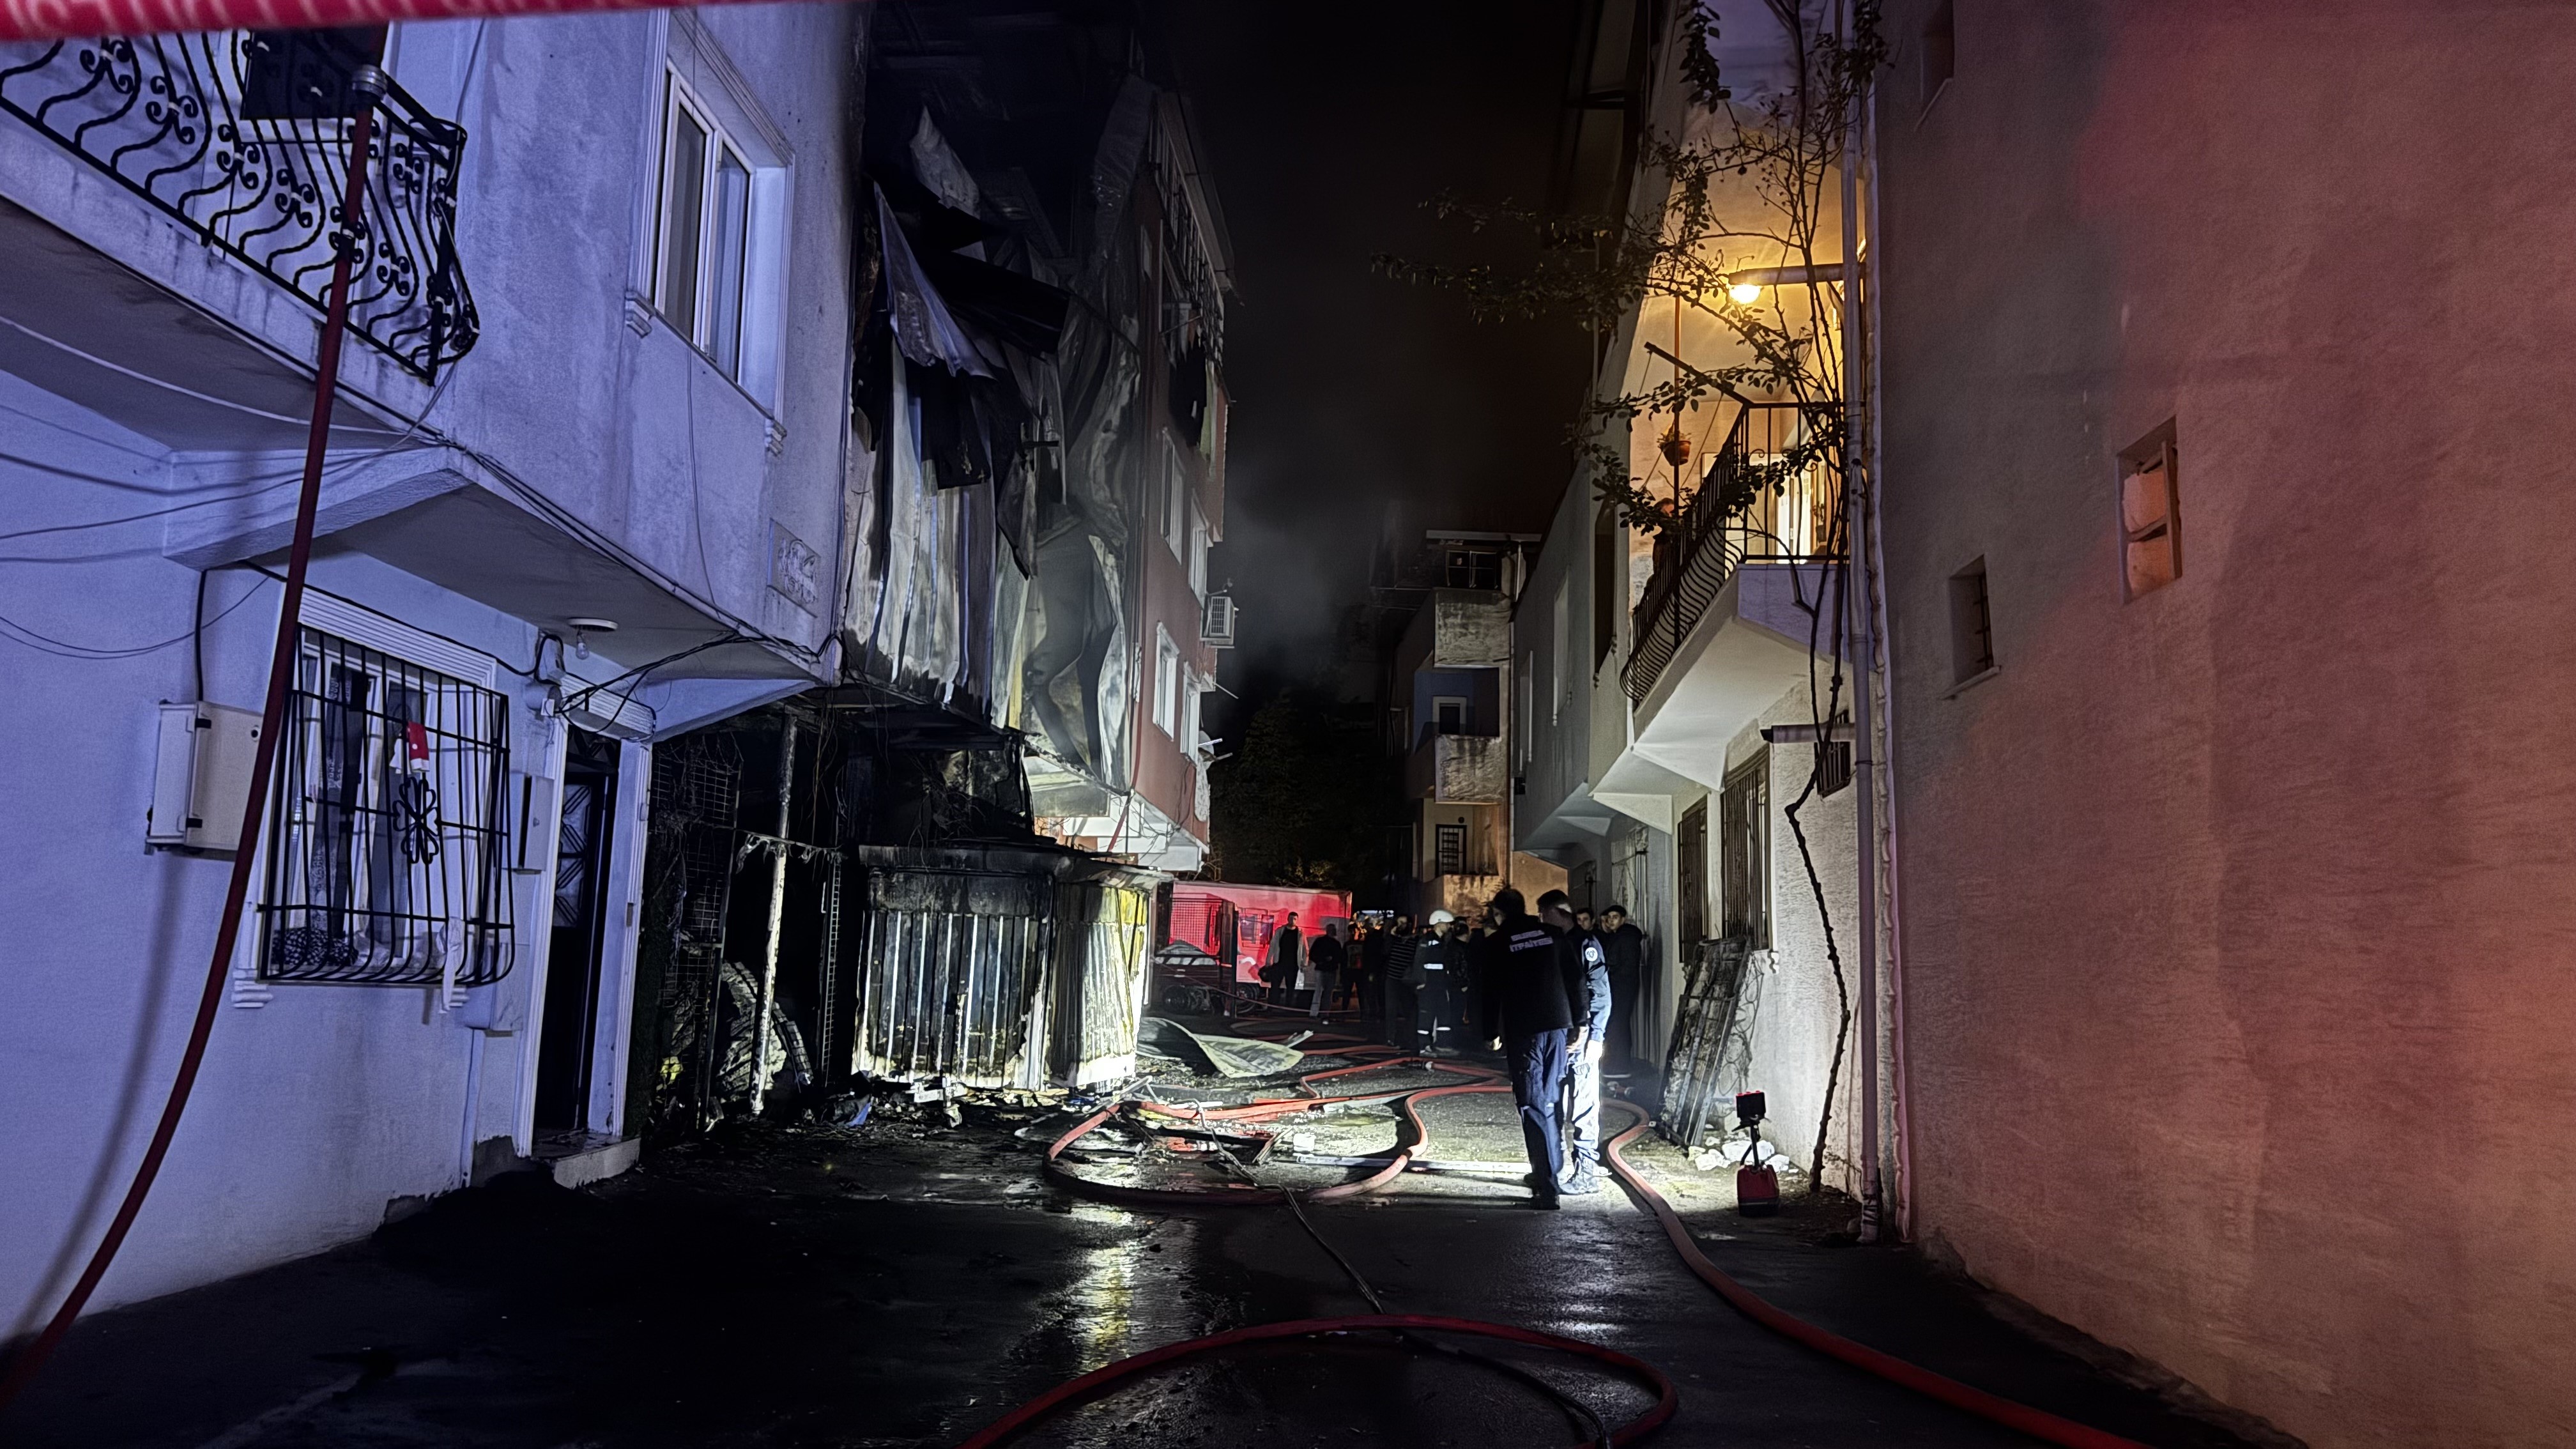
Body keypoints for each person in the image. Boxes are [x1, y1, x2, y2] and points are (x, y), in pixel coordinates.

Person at [1473, 889, 1585, 1209]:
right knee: (1550, 1099)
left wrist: (1490, 1032)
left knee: (1532, 1104)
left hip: (1526, 1031)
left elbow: (1490, 991)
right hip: (1558, 1029)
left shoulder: (1498, 942)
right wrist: (1581, 1021)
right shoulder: (1552, 934)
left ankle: (1547, 1188)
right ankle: (1550, 1170)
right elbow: (1575, 978)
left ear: (1499, 914)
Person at [1541, 890, 1612, 1195]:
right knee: (1553, 1102)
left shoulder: (1586, 944)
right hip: (1560, 1035)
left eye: (1545, 914)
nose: (1542, 920)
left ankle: (1586, 1173)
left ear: (1559, 913)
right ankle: (1555, 1168)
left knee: (1583, 1105)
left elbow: (1600, 991)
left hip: (1581, 1039)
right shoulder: (1557, 943)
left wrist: (1596, 1035)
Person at [1595, 905, 1647, 1070]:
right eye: (1609, 918)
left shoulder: (1626, 938)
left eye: (1615, 917)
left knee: (1618, 1025)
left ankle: (1618, 1065)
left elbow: (1625, 965)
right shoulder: (1620, 936)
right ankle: (1617, 1064)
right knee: (1618, 1025)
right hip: (1621, 987)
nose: (1611, 921)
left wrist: (1612, 973)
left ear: (1623, 919)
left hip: (1621, 988)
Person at [1411, 910, 1461, 1054]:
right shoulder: (1426, 940)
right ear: (1439, 924)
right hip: (1429, 985)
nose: (1449, 927)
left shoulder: (1444, 941)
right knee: (1426, 1016)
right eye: (1447, 924)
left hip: (1441, 985)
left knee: (1444, 1015)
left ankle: (1443, 1044)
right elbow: (1419, 961)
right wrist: (1421, 981)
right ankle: (1424, 1047)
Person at [1379, 915, 1418, 1047]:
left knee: (1409, 1010)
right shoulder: (1393, 940)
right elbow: (1385, 952)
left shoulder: (1414, 941)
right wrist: (1391, 935)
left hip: (1407, 981)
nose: (1401, 926)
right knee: (1391, 1010)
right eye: (1399, 923)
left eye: (1403, 923)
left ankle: (1410, 1039)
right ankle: (1390, 1038)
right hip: (1392, 979)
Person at [1306, 923, 1346, 1017]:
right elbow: (1340, 958)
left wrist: (1321, 961)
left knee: (1320, 992)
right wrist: (1326, 960)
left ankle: (1316, 1013)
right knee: (1326, 993)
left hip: (1324, 969)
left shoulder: (1321, 941)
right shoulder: (1335, 944)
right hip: (1327, 970)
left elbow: (1312, 955)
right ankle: (1324, 1013)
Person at [1263, 912, 1303, 1007]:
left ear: (1297, 920)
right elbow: (1273, 946)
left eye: (1295, 919)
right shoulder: (1280, 931)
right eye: (1291, 918)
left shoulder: (1300, 934)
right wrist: (1268, 960)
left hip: (1293, 965)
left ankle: (1288, 1006)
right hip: (1279, 963)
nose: (1292, 921)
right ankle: (1273, 1005)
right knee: (1275, 986)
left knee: (1291, 987)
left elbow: (1305, 949)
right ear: (1288, 919)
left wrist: (1304, 962)